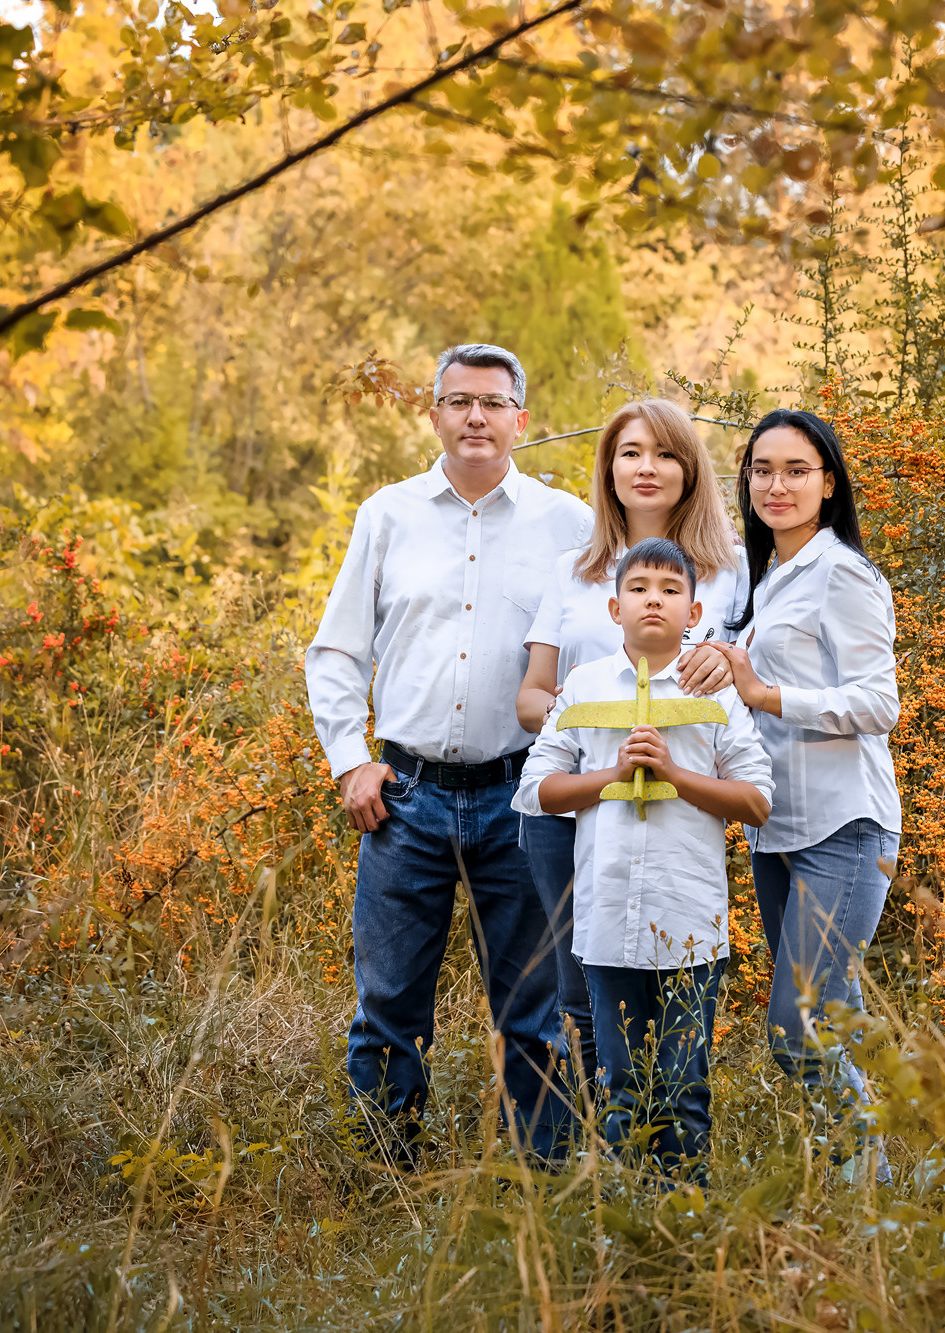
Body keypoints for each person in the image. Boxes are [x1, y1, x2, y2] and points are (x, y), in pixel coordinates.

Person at [304, 343, 590, 1165]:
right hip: (405, 796)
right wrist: (348, 760)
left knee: (533, 1008)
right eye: (459, 400)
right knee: (388, 1004)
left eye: (493, 403)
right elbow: (336, 652)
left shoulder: (566, 523)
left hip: (521, 794)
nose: (475, 416)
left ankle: (544, 1183)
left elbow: (602, 641)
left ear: (521, 421)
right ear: (433, 413)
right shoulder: (387, 514)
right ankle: (382, 1179)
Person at [514, 539, 772, 1181]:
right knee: (621, 1083)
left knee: (684, 1090)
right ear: (613, 606)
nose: (652, 599)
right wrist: (613, 772)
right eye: (638, 588)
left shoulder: (710, 689)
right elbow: (536, 789)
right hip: (606, 927)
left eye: (668, 589)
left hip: (688, 927)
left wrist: (675, 774)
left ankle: (685, 1225)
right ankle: (626, 1226)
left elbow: (757, 800)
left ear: (693, 612)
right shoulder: (583, 686)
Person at [514, 399, 742, 1091]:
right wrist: (587, 722)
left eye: (666, 453)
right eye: (631, 453)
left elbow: (746, 683)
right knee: (580, 989)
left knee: (673, 979)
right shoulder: (573, 570)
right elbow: (532, 694)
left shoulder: (730, 570)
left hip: (679, 805)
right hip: (575, 807)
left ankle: (666, 1149)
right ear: (608, 468)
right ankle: (598, 1161)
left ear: (690, 468)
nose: (647, 468)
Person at [705, 408, 902, 1172]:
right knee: (830, 1020)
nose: (776, 484)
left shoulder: (842, 572)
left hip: (843, 826)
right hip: (777, 830)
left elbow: (880, 704)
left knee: (799, 1029)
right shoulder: (769, 579)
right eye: (762, 469)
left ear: (829, 482)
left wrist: (766, 693)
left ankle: (874, 1186)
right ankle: (883, 1187)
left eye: (796, 470)